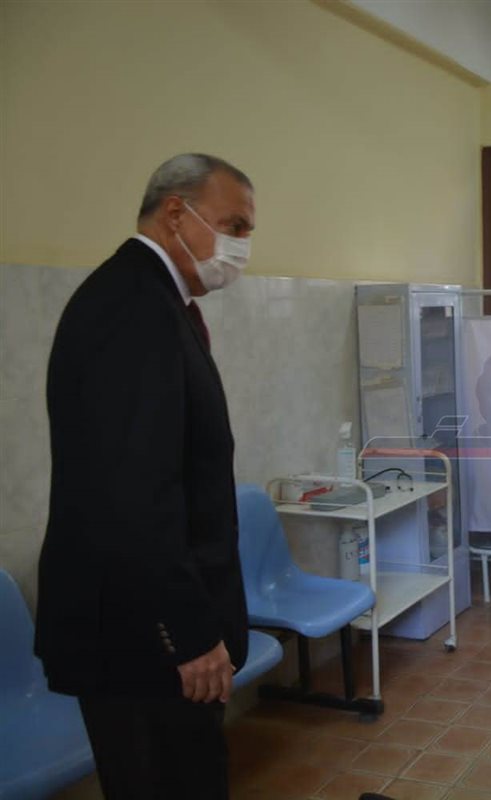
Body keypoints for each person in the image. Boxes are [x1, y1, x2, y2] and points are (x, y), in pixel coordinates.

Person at [35, 153, 255, 799]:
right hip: (141, 637)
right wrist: (189, 634)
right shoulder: (130, 307)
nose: (242, 245)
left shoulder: (156, 300)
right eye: (234, 225)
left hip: (151, 628)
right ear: (175, 213)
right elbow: (132, 494)